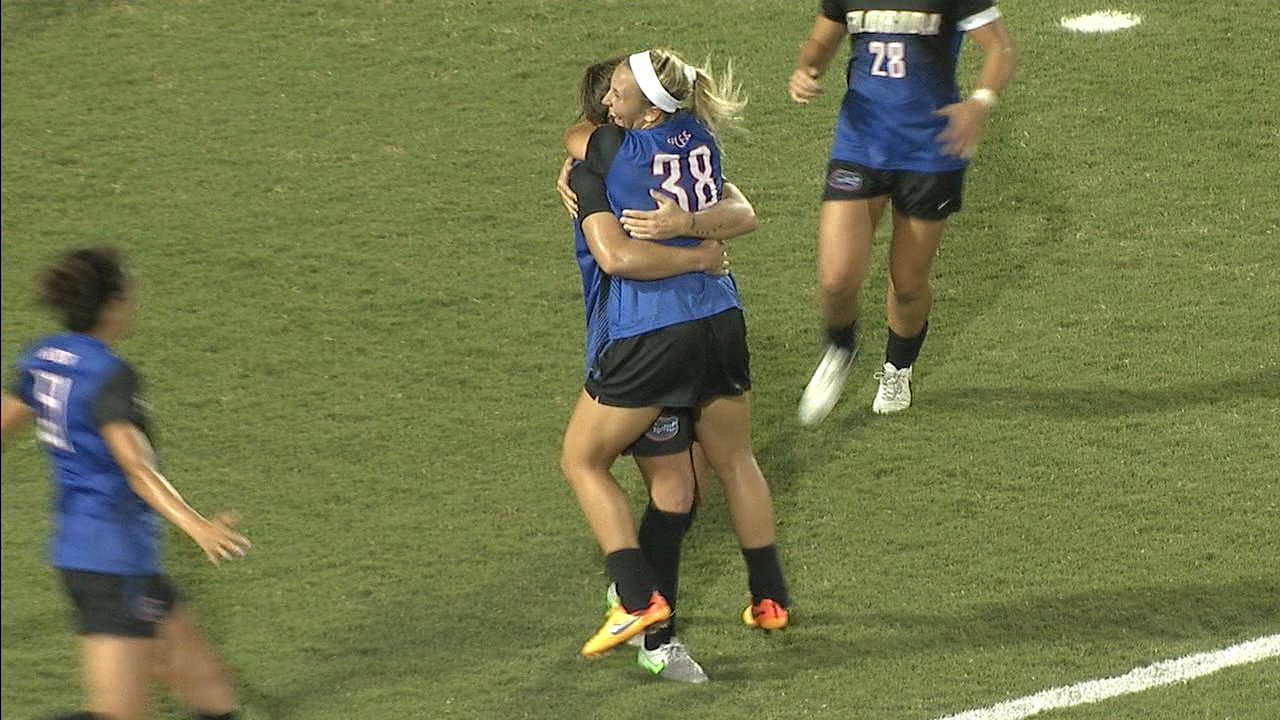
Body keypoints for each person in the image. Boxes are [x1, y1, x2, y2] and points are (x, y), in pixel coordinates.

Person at [559, 48, 791, 664]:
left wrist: (578, 167)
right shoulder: (699, 137)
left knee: (582, 460)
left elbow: (618, 257)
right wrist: (701, 241)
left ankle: (638, 603)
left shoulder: (607, 158)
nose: (608, 101)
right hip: (721, 321)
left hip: (649, 336)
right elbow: (741, 210)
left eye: (617, 93)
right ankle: (767, 596)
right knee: (713, 472)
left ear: (640, 111)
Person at [0, 246, 252, 720]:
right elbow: (135, 469)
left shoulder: (43, 357)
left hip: (102, 553)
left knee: (211, 692)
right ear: (112, 305)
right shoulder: (109, 375)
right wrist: (197, 526)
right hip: (110, 562)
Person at [791, 1, 1016, 423]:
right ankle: (839, 348)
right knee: (836, 279)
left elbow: (999, 48)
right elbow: (822, 39)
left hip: (929, 151)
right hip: (859, 144)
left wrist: (978, 103)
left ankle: (897, 366)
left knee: (908, 285)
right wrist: (807, 67)